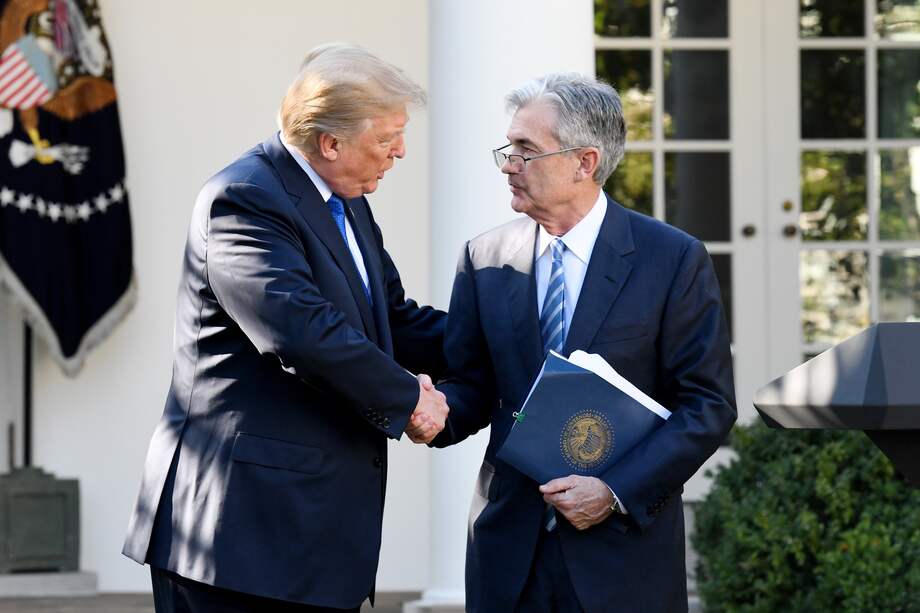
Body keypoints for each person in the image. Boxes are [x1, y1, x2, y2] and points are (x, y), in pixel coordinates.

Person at [122, 43, 448, 612]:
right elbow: (302, 334)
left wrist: (501, 341)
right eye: (387, 138)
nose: (399, 151)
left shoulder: (344, 199)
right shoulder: (244, 197)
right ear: (330, 142)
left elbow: (391, 318)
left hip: (309, 537)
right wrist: (409, 399)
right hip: (241, 536)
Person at [431, 73, 737, 613]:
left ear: (585, 162)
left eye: (526, 151)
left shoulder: (671, 259)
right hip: (508, 554)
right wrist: (423, 409)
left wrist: (614, 491)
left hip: (621, 557)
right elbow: (473, 387)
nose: (508, 164)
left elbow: (707, 406)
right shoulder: (484, 257)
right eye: (508, 149)